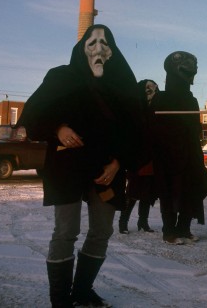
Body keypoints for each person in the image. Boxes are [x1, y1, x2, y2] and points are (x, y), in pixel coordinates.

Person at [18, 24, 144, 307]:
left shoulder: (122, 82)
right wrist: (58, 128)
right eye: (92, 42)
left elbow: (136, 128)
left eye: (105, 43)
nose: (99, 48)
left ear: (113, 50)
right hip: (68, 167)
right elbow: (33, 114)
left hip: (106, 170)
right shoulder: (61, 76)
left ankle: (82, 291)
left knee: (102, 231)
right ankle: (60, 299)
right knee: (66, 231)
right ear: (81, 49)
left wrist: (119, 162)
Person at [151, 51, 207, 245]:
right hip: (167, 155)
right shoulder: (160, 99)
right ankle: (169, 231)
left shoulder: (192, 100)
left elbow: (195, 127)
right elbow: (153, 127)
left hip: (190, 153)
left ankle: (184, 228)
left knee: (193, 188)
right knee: (169, 192)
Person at [118, 79, 159, 234]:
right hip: (137, 158)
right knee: (133, 192)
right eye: (148, 89)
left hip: (152, 157)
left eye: (154, 89)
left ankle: (143, 222)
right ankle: (123, 222)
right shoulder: (135, 110)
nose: (151, 92)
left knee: (148, 194)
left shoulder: (156, 109)